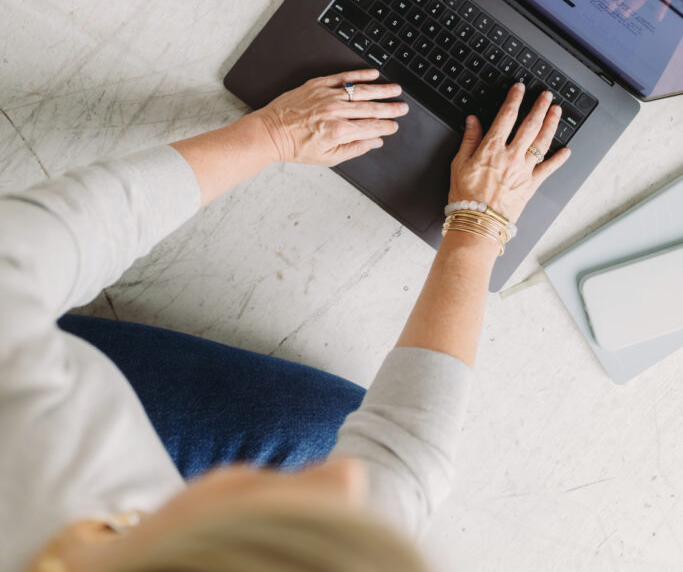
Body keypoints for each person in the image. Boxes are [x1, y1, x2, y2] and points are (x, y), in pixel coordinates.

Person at [1, 68, 569, 572]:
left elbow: (59, 236)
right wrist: (479, 224)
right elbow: (405, 459)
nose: (345, 477)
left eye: (288, 511)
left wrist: (271, 133)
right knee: (328, 431)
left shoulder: (27, 413)